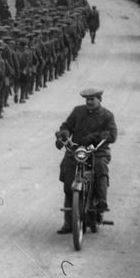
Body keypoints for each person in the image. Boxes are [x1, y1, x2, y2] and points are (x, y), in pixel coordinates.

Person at [55, 87, 117, 234]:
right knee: (67, 167)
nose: (89, 102)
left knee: (100, 166)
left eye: (92, 99)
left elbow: (112, 134)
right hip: (78, 150)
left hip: (98, 151)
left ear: (99, 100)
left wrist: (98, 137)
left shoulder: (107, 115)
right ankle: (69, 222)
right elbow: (67, 125)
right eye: (87, 99)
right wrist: (64, 134)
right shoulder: (78, 111)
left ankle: (101, 201)